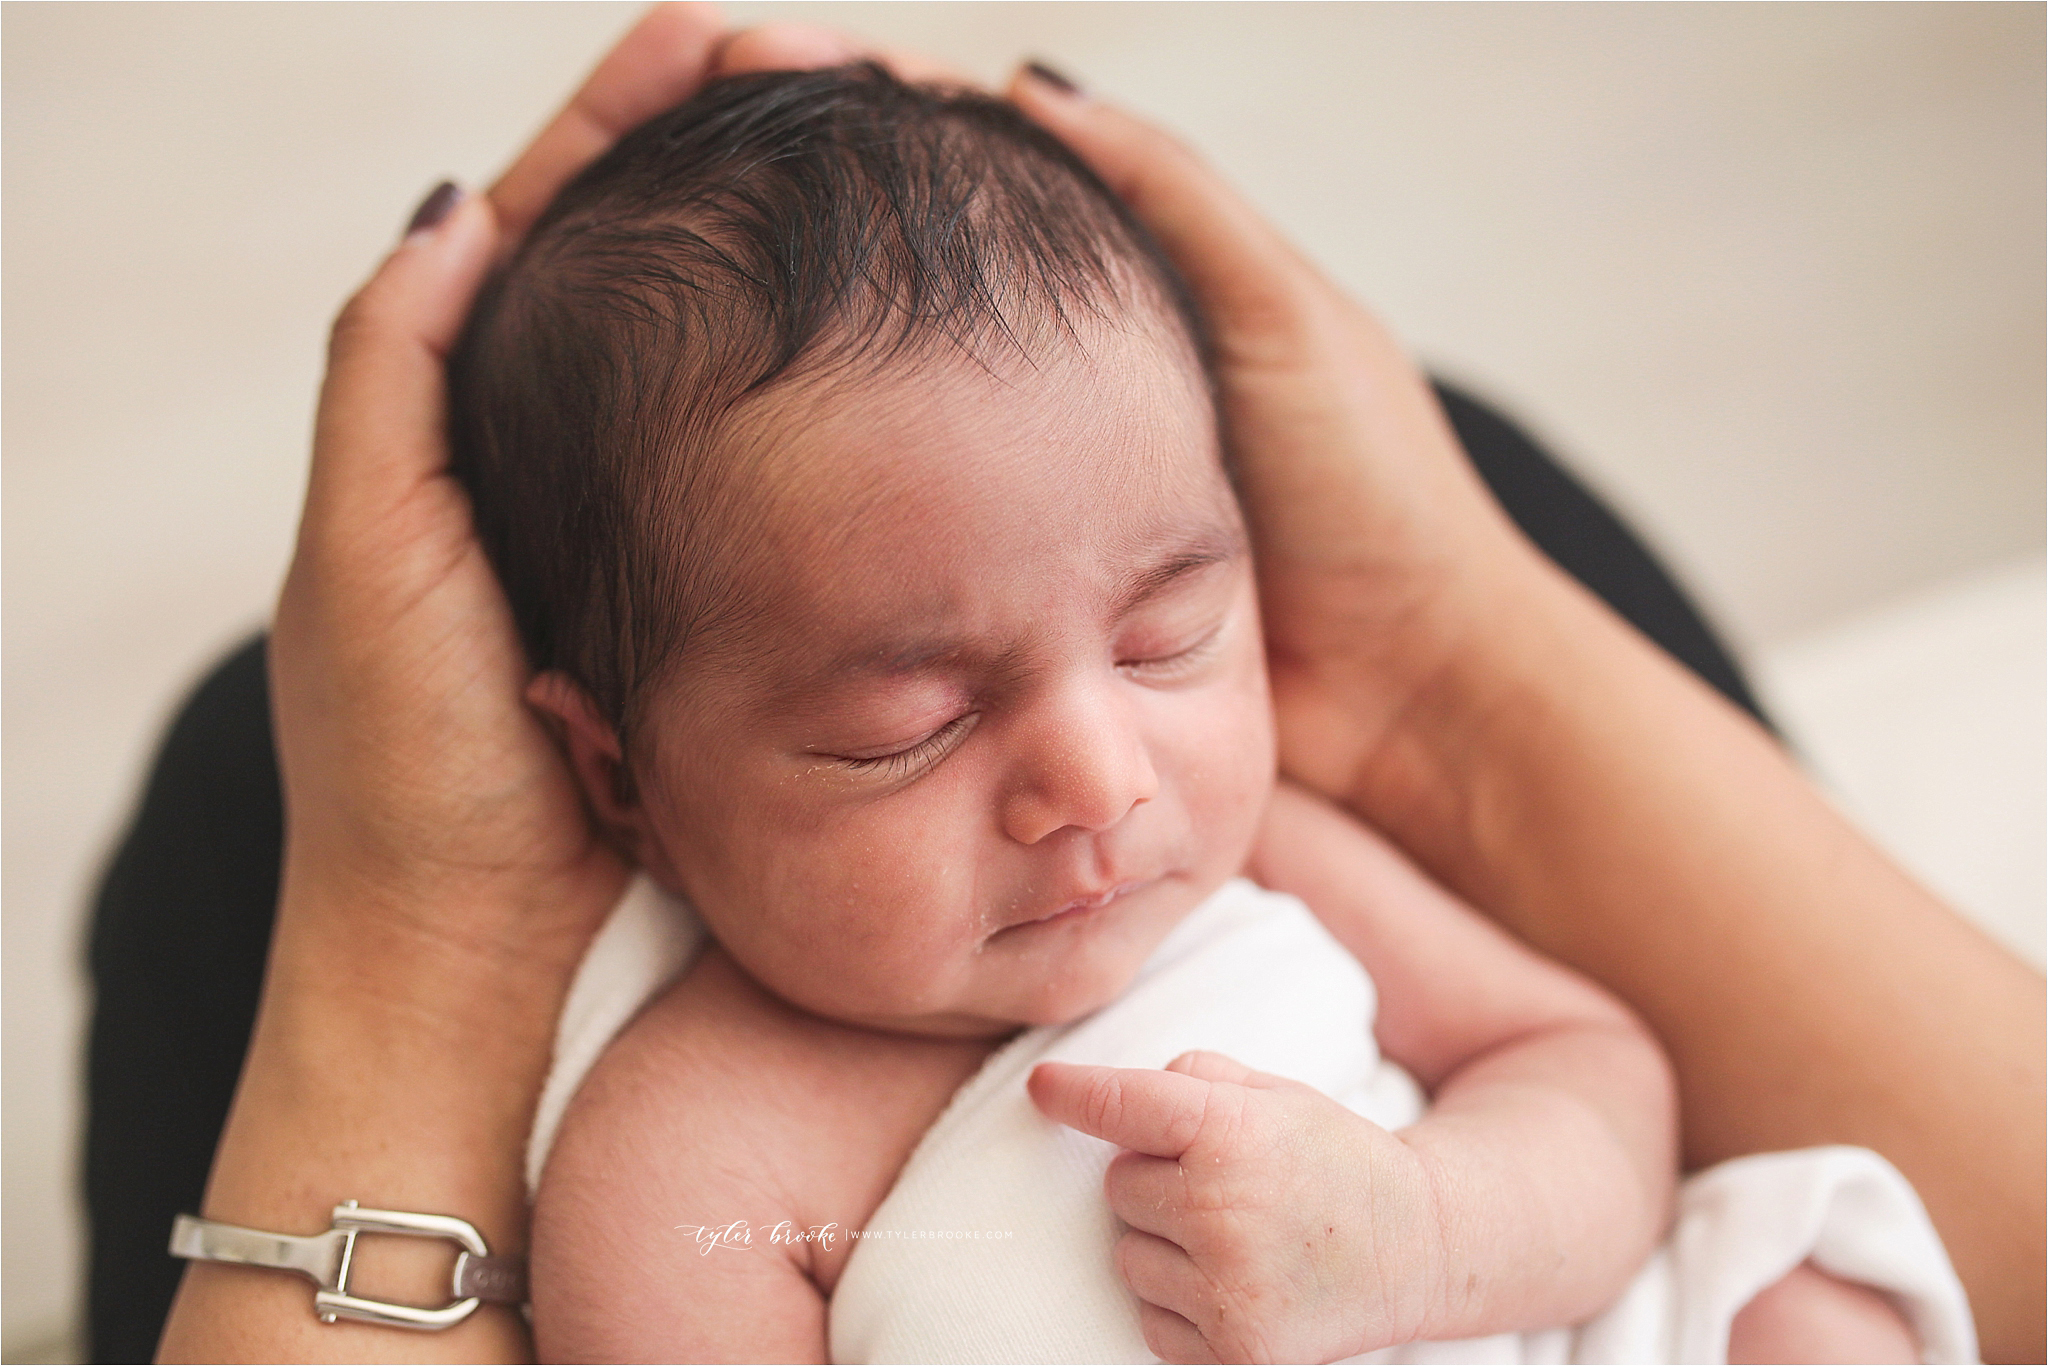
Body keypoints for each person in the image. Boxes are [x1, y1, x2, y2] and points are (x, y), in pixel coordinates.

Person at [132, 6, 2040, 1362]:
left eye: (1170, 631)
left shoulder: (1270, 858)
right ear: (622, 777)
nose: (1097, 771)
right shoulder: (700, 1147)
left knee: (1810, 1302)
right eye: (914, 722)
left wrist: (1427, 1227)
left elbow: (1597, 1074)